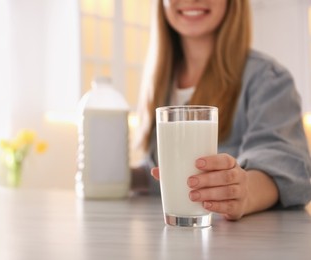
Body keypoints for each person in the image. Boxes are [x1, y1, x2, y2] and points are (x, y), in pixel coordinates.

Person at [131, 0, 311, 221]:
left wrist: (243, 193)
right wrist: (121, 177)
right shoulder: (159, 82)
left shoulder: (267, 78)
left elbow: (284, 164)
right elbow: (159, 174)